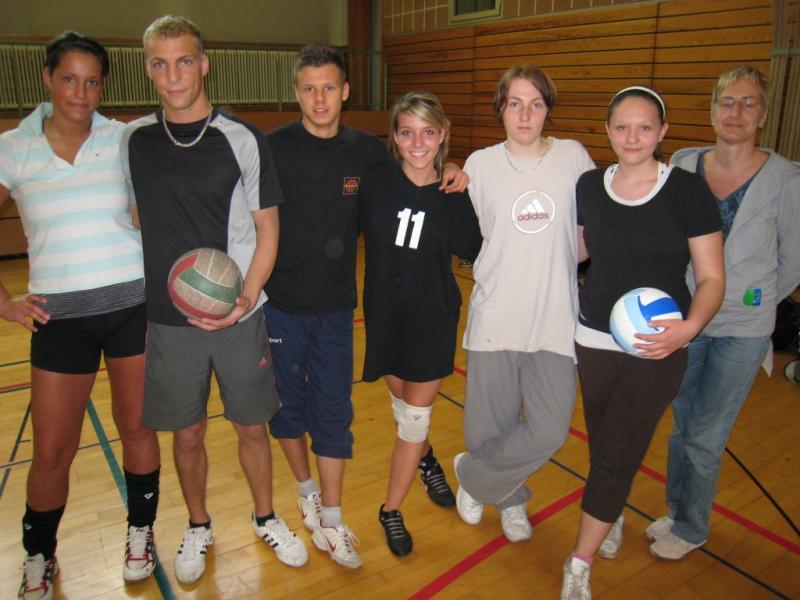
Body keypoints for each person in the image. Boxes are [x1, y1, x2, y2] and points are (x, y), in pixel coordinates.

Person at [263, 45, 467, 568]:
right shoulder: (272, 149)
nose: (320, 99)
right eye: (309, 89)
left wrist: (455, 169)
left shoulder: (368, 157)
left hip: (337, 309)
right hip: (279, 305)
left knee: (334, 415)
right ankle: (307, 492)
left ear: (346, 91)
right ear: (296, 93)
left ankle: (333, 519)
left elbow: (418, 177)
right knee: (286, 412)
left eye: (329, 87)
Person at [121, 15, 306, 585]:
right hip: (169, 319)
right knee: (188, 433)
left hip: (238, 315)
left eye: (184, 61)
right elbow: (136, 217)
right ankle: (198, 524)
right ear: (148, 70)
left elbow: (269, 232)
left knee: (252, 426)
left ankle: (265, 516)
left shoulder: (242, 139)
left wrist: (243, 299)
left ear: (203, 64)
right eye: (160, 63)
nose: (173, 75)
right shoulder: (133, 140)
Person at [0, 31, 162, 599]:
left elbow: (151, 211)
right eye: (69, 79)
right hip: (59, 321)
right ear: (48, 78)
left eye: (92, 82)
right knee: (52, 450)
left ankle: (140, 533)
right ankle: (38, 555)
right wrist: (4, 303)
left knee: (137, 428)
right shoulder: (12, 148)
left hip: (131, 309)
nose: (80, 92)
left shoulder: (123, 140)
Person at [560, 86, 725, 599]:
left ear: (663, 131)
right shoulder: (589, 185)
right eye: (622, 127)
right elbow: (575, 251)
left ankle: (579, 561)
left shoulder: (687, 192)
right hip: (593, 338)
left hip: (659, 346)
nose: (632, 137)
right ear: (608, 131)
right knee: (606, 445)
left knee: (615, 450)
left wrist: (689, 328)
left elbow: (712, 277)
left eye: (645, 127)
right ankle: (610, 515)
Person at [648, 67, 800, 560]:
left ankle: (692, 527)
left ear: (764, 114)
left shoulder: (787, 179)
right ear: (713, 110)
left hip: (741, 331)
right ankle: (678, 510)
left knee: (707, 433)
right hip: (684, 321)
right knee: (683, 424)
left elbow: (792, 260)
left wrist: (752, 299)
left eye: (748, 103)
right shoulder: (683, 164)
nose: (736, 112)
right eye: (727, 102)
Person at [453, 65, 595, 543]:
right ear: (501, 109)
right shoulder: (479, 165)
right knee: (487, 428)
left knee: (550, 428)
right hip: (496, 315)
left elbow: (592, 228)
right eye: (515, 103)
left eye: (536, 104)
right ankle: (511, 499)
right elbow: (457, 223)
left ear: (548, 109)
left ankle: (473, 476)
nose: (525, 114)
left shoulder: (573, 157)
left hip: (555, 320)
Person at [359, 92, 482, 556]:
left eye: (428, 132)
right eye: (407, 132)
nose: (418, 142)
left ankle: (390, 509)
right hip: (385, 317)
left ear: (442, 135)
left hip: (432, 319)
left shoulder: (453, 194)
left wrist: (463, 180)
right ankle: (428, 461)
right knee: (402, 406)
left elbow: (474, 247)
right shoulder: (376, 181)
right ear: (394, 137)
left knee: (413, 420)